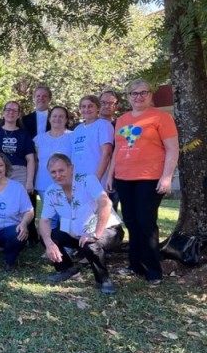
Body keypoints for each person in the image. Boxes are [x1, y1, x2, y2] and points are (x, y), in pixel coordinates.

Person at [107, 79, 178, 285]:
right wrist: (111, 175)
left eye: (143, 93)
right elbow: (116, 150)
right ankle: (134, 265)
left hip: (149, 178)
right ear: (128, 97)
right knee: (131, 222)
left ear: (150, 94)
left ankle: (153, 270)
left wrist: (166, 177)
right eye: (133, 93)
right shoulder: (122, 120)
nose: (138, 97)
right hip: (123, 178)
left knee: (146, 223)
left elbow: (172, 149)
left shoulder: (161, 117)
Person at [40, 154, 124, 294]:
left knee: (90, 244)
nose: (57, 175)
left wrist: (95, 234)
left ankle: (103, 280)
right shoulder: (51, 191)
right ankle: (67, 269)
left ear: (71, 168)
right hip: (77, 233)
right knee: (49, 235)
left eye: (61, 170)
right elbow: (44, 221)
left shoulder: (87, 180)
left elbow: (105, 203)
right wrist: (49, 243)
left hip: (107, 230)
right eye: (53, 172)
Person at [0, 101, 37, 243]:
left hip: (19, 171)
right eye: (8, 110)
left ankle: (19, 236)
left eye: (14, 110)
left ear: (18, 114)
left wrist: (29, 181)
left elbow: (31, 159)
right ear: (3, 112)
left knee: (17, 205)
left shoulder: (24, 134)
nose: (11, 112)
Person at [71, 95, 113, 186]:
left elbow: (107, 153)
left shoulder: (103, 125)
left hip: (96, 179)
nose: (87, 109)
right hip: (77, 179)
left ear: (98, 108)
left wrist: (97, 178)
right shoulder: (78, 129)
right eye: (83, 106)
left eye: (90, 106)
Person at [33, 106, 72, 198]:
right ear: (49, 119)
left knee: (67, 212)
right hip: (43, 184)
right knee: (49, 212)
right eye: (54, 116)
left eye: (61, 116)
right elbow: (34, 161)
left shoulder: (73, 136)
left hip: (67, 185)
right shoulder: (38, 139)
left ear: (66, 119)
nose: (57, 119)